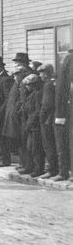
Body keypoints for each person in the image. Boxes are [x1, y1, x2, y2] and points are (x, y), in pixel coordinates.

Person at [53, 48, 73, 181]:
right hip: (68, 109)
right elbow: (61, 89)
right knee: (66, 142)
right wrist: (60, 113)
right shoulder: (68, 60)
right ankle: (64, 171)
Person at [21, 73, 44, 177]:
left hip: (35, 126)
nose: (27, 87)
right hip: (30, 125)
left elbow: (38, 111)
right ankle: (30, 167)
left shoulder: (38, 94)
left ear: (34, 84)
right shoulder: (31, 94)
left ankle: (38, 169)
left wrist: (30, 122)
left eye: (28, 85)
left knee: (36, 148)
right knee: (29, 147)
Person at [38, 64, 58, 178]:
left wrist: (42, 116)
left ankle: (52, 169)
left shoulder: (48, 85)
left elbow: (47, 104)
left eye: (41, 73)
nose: (40, 75)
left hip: (47, 119)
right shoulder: (52, 83)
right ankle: (53, 168)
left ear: (45, 73)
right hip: (51, 118)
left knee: (49, 145)